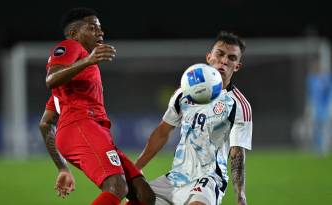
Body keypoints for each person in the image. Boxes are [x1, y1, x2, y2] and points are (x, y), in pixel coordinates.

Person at [43, 7, 155, 205]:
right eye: (93, 28)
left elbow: (45, 124)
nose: (100, 33)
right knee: (116, 186)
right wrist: (88, 59)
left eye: (100, 29)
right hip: (80, 126)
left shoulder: (71, 85)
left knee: (144, 195)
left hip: (90, 129)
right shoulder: (71, 46)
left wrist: (62, 168)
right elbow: (51, 79)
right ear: (74, 33)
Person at [135, 31, 252, 205]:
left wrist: (240, 195)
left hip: (209, 179)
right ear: (209, 57)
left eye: (232, 58)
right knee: (139, 200)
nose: (224, 61)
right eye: (220, 54)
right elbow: (162, 131)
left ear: (237, 66)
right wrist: (136, 168)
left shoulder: (239, 104)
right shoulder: (185, 91)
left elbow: (237, 153)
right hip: (175, 178)